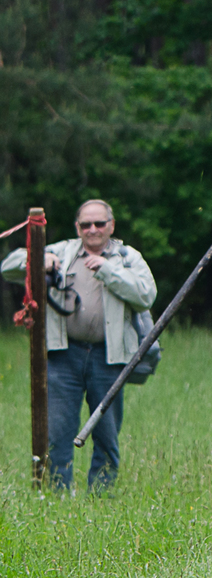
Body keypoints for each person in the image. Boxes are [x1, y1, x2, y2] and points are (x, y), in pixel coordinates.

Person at [1, 200, 157, 492]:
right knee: (58, 432)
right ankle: (58, 496)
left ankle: (101, 497)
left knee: (107, 434)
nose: (93, 229)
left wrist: (108, 270)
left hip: (108, 357)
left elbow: (146, 295)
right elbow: (7, 268)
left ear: (111, 225)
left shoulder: (126, 257)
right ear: (78, 227)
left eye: (99, 223)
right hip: (64, 355)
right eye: (86, 224)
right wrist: (37, 259)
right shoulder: (62, 251)